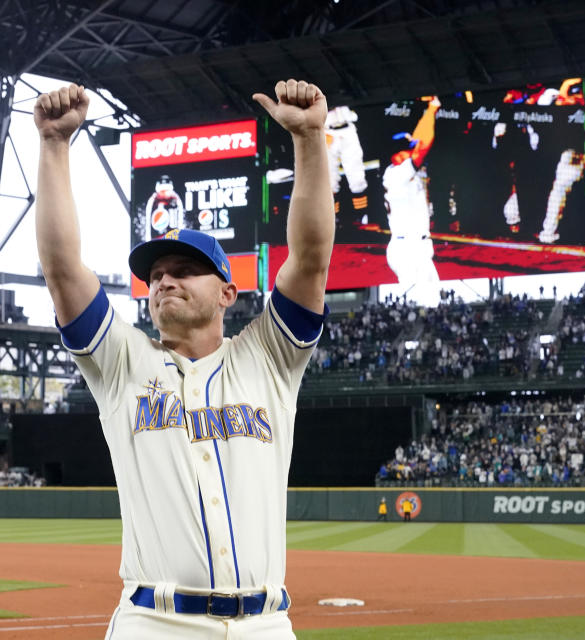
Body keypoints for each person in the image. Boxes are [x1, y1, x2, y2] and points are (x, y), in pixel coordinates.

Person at [34, 79, 334, 639]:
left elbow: (312, 257)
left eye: (184, 269)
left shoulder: (270, 357)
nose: (165, 279)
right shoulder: (121, 362)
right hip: (155, 622)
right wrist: (54, 145)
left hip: (266, 625)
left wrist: (310, 140)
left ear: (227, 292)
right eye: (154, 275)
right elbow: (61, 268)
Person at [383, 96, 440, 304]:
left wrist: (430, 109)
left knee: (434, 302)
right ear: (396, 154)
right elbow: (424, 146)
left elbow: (420, 140)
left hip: (416, 248)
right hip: (407, 250)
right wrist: (432, 110)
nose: (412, 149)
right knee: (417, 303)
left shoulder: (401, 171)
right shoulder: (397, 173)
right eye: (408, 147)